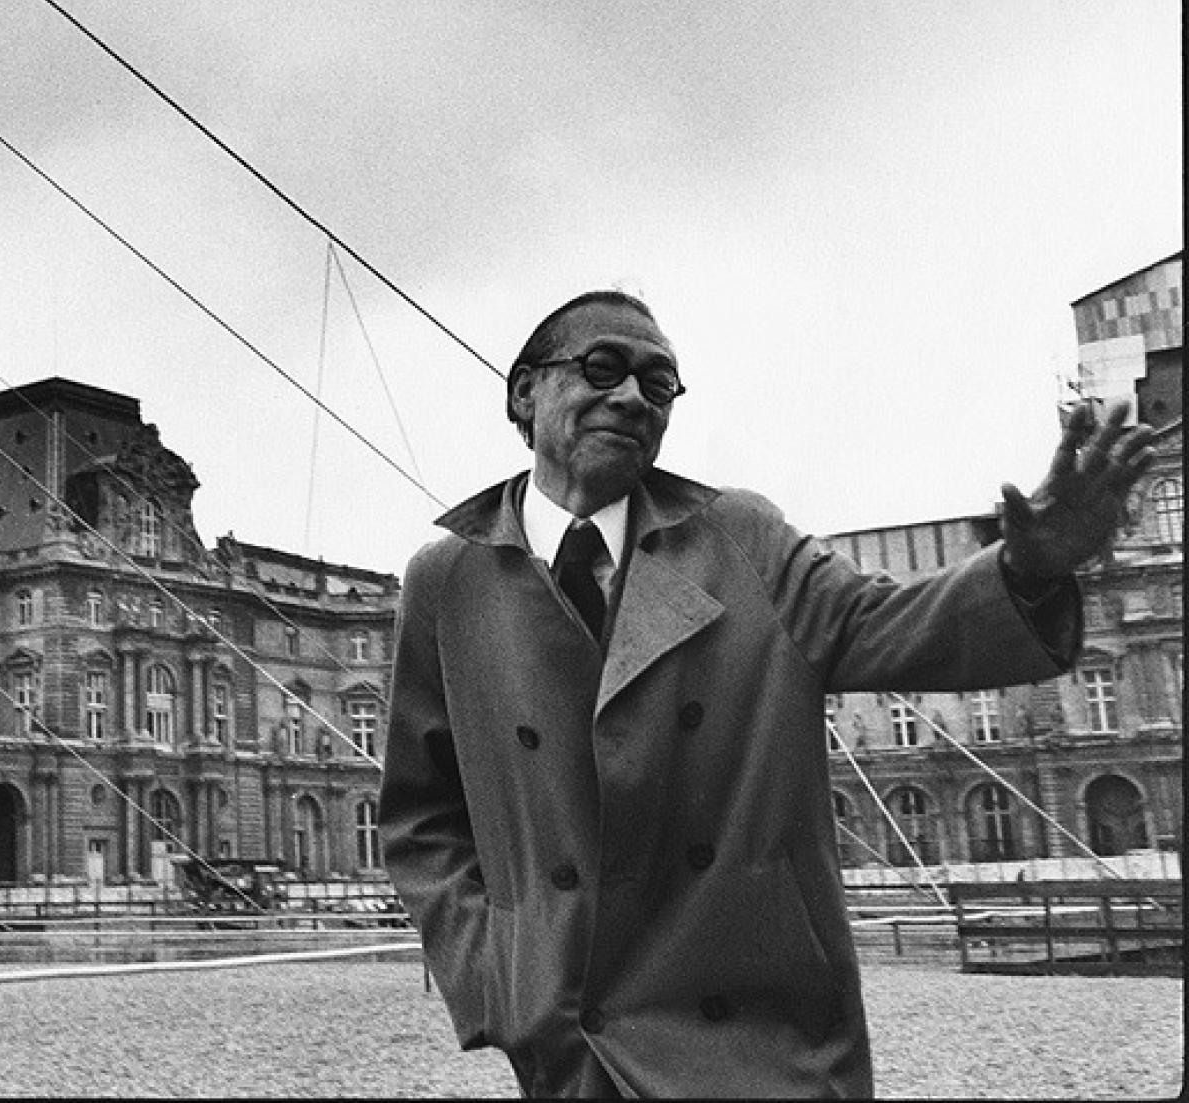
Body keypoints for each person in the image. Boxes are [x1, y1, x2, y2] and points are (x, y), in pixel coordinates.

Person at [378, 289, 1154, 1099]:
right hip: (574, 1048)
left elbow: (884, 621)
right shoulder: (449, 578)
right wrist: (502, 978)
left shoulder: (741, 536)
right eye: (603, 367)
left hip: (765, 1040)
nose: (632, 396)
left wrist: (1027, 570)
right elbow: (420, 814)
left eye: (659, 383)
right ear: (524, 392)